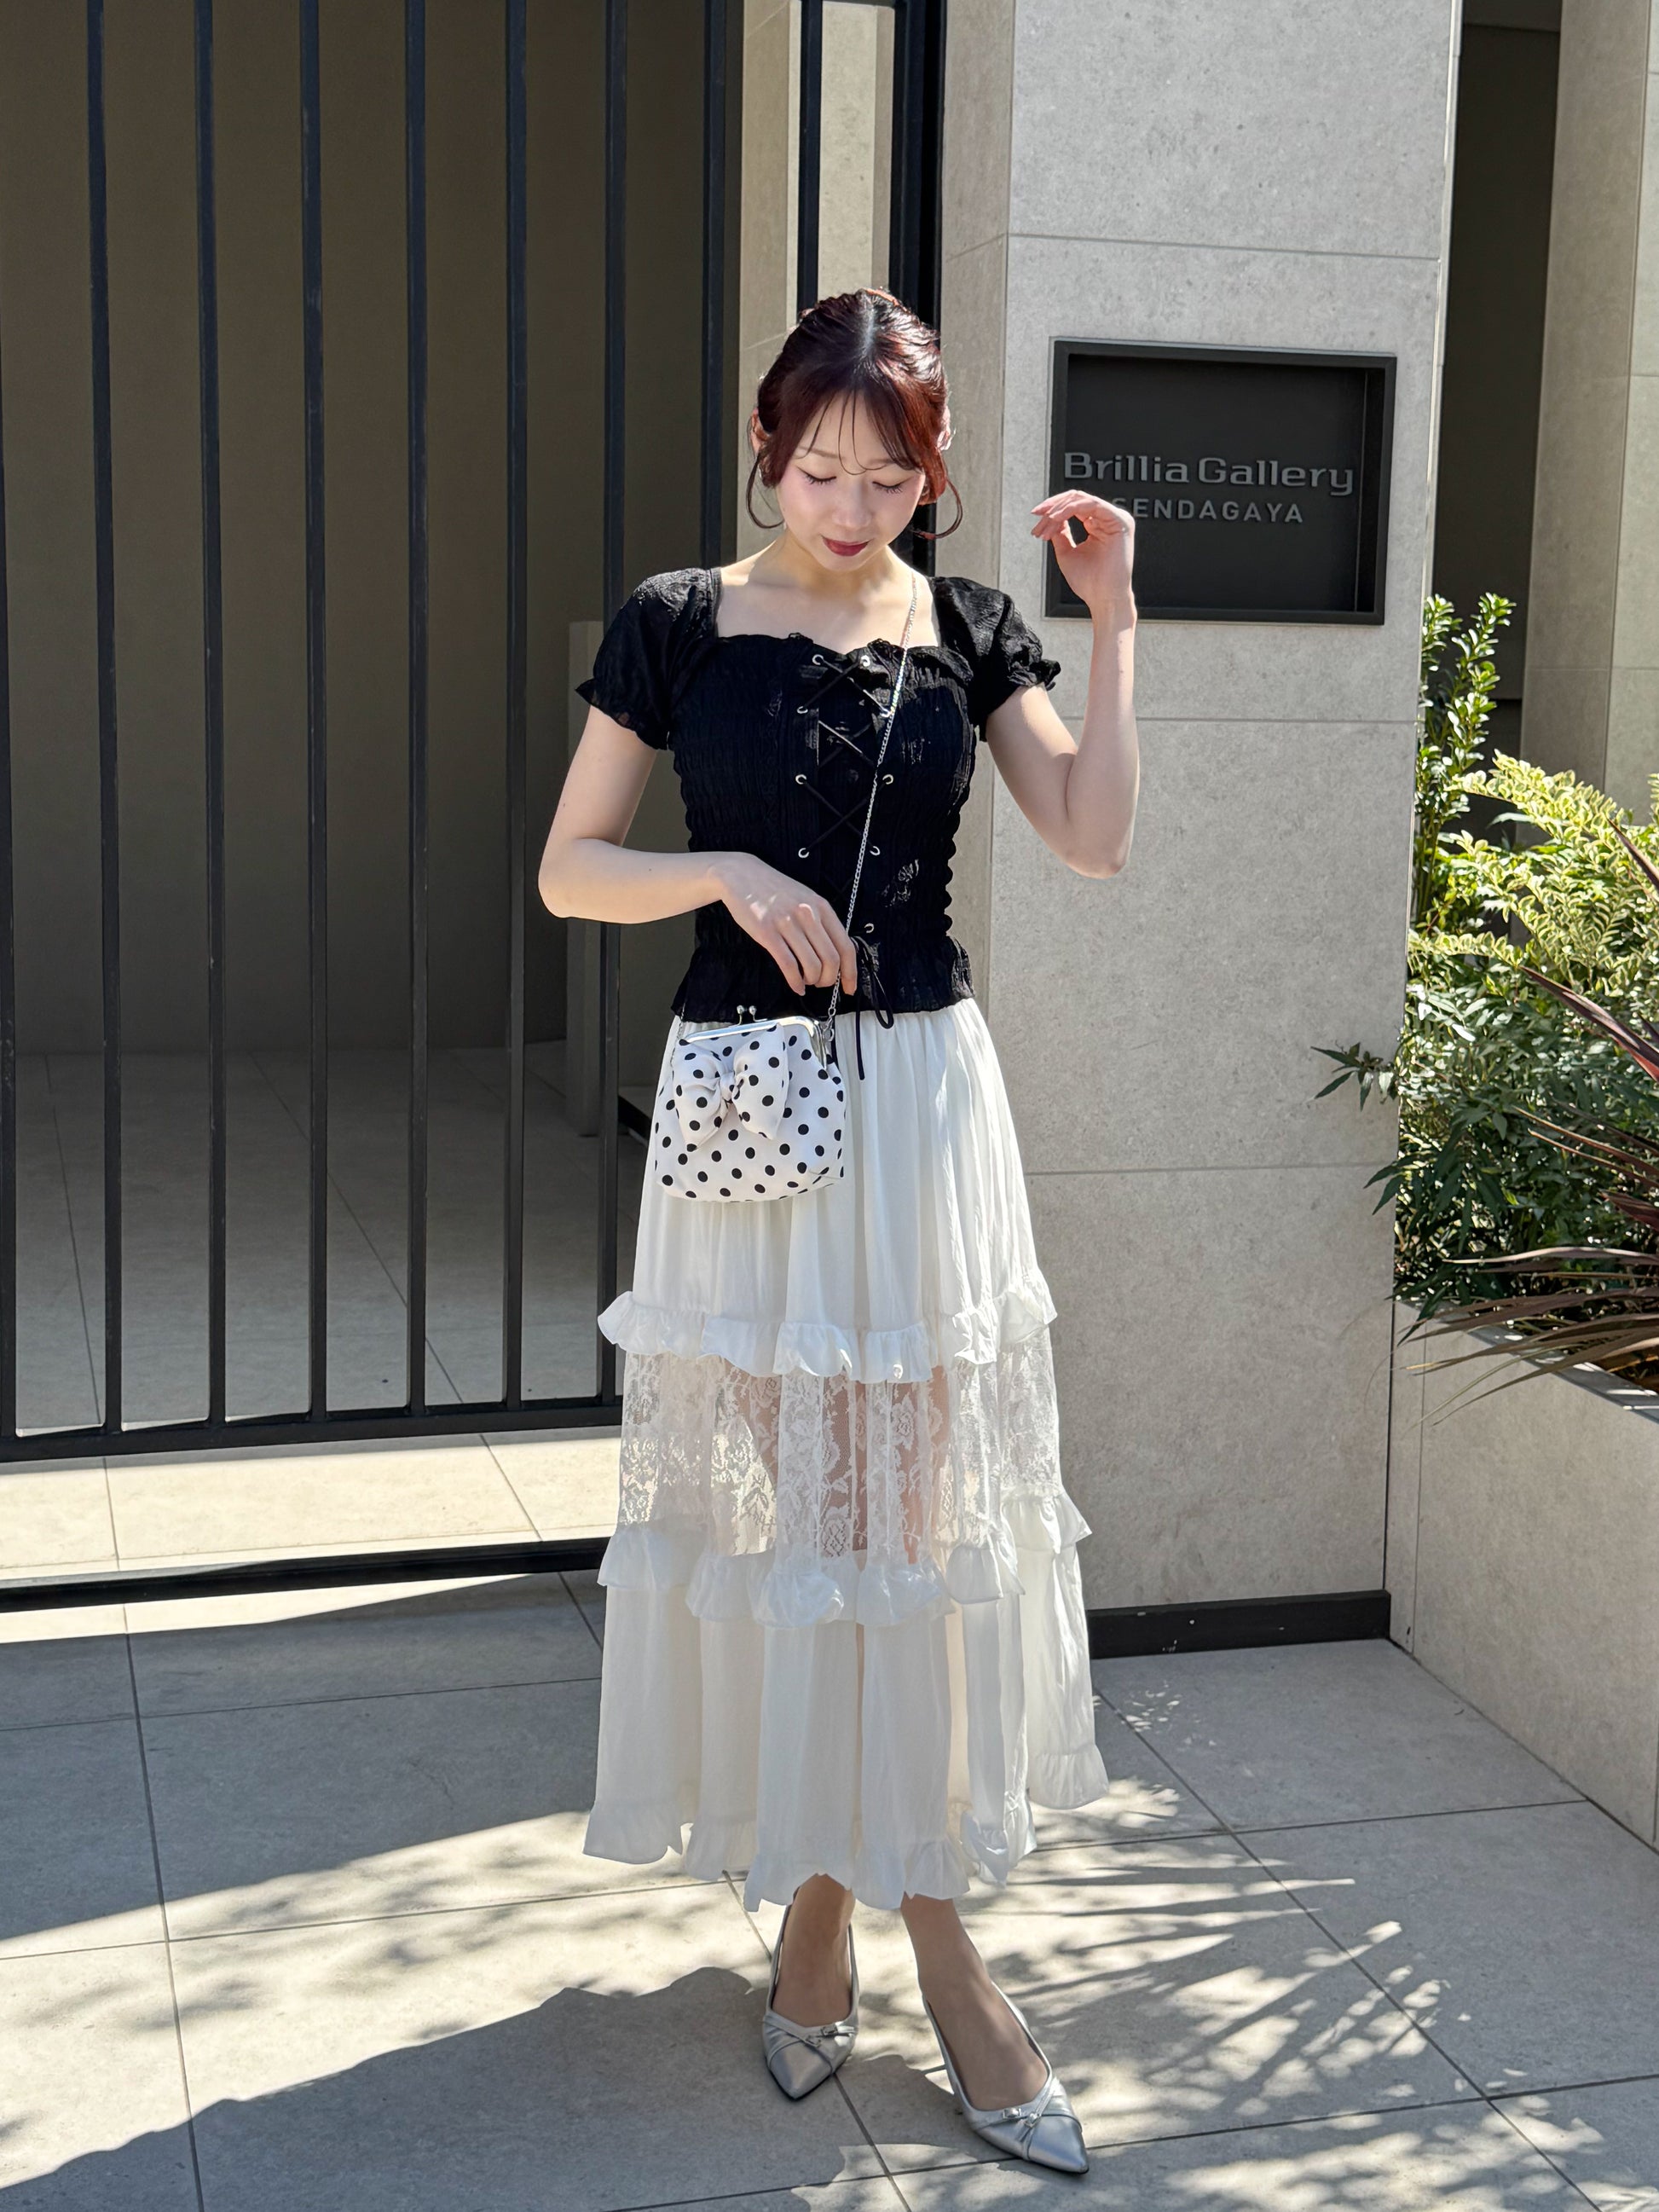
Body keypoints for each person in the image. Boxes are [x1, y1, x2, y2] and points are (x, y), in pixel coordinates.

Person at [539, 287, 1139, 2176]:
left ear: (929, 473)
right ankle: (840, 1914)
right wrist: (720, 868)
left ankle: (903, 1935)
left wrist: (1116, 625)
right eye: (819, 468)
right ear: (766, 446)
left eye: (890, 476)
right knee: (800, 1519)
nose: (853, 505)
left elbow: (1091, 835)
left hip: (921, 1113)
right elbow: (568, 868)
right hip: (746, 1107)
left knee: (908, 1520)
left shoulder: (969, 626)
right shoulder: (676, 620)